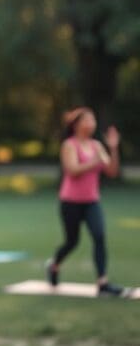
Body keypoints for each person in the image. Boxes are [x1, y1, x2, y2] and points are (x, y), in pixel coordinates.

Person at [47, 107, 126, 297]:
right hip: (70, 202)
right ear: (77, 124)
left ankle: (103, 282)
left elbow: (112, 171)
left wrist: (113, 148)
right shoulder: (69, 145)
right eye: (88, 119)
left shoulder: (97, 146)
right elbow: (72, 170)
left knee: (99, 236)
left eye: (93, 119)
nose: (92, 123)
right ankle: (54, 265)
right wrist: (95, 161)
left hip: (91, 201)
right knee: (72, 242)